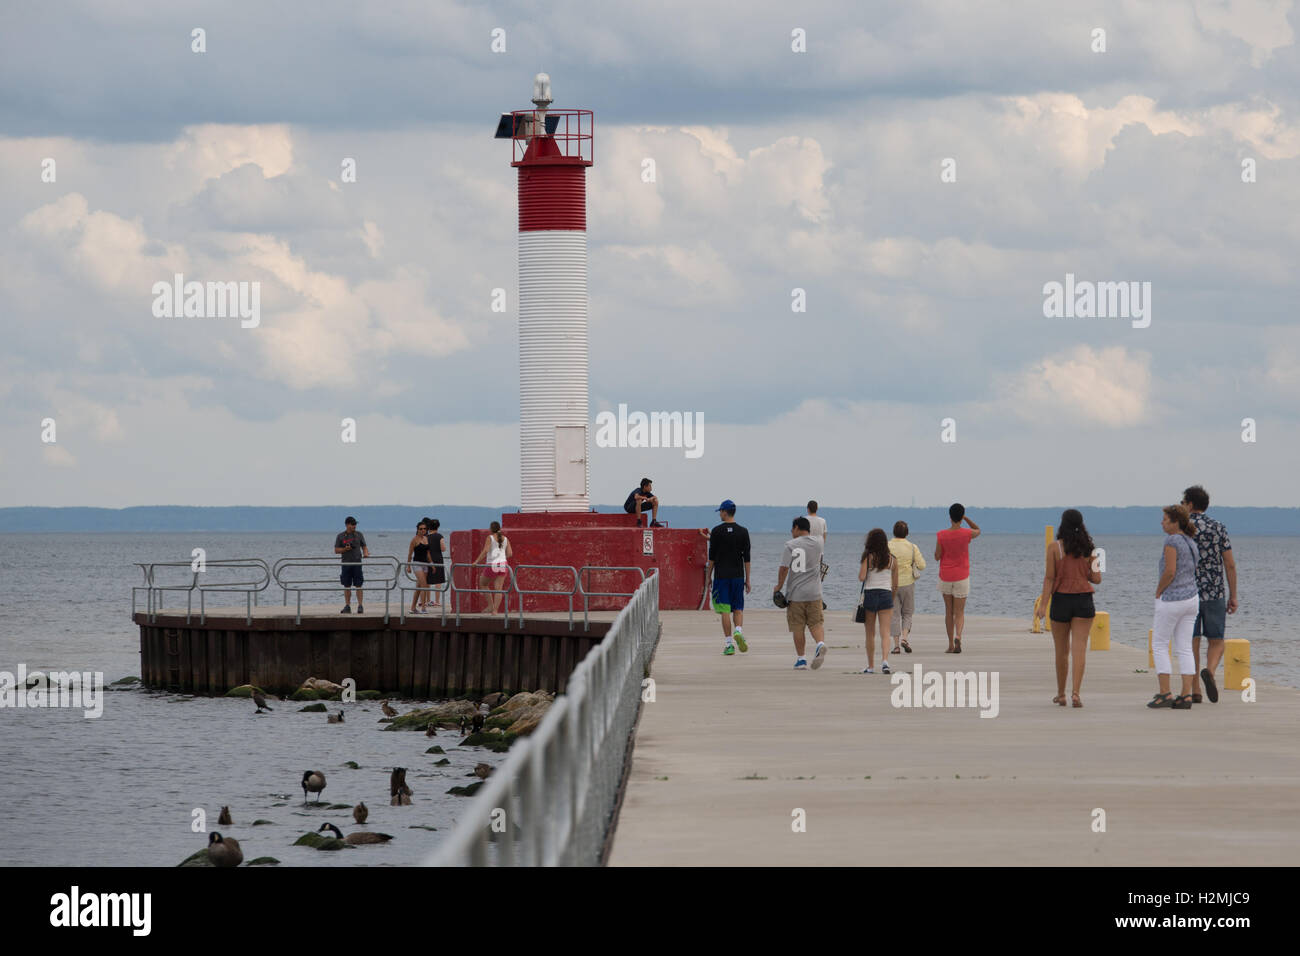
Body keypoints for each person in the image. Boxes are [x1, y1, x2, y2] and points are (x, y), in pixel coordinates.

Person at [1035, 509, 1102, 707]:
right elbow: (1097, 579)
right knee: (1079, 649)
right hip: (1083, 600)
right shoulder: (1090, 549)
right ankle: (1076, 693)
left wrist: (1043, 605)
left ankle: (1061, 694)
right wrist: (1084, 571)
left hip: (1061, 600)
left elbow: (1049, 577)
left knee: (1061, 651)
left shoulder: (1054, 548)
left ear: (1062, 524)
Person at [1182, 486, 1238, 704]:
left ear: (1189, 504)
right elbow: (1230, 564)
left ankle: (1195, 688)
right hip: (1215, 591)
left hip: (1189, 592)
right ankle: (1211, 671)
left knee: (1192, 641)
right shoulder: (1218, 527)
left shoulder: (1183, 528)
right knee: (1217, 640)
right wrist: (1233, 595)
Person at [1148, 505, 1201, 709]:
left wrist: (1158, 591)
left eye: (1165, 519)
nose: (1162, 522)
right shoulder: (1190, 541)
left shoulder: (1172, 540)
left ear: (1175, 522)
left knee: (1160, 644)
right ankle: (1186, 695)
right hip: (1191, 598)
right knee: (1185, 647)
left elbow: (1170, 571)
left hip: (1172, 598)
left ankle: (1165, 693)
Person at [776, 517, 826, 670]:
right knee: (816, 623)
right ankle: (820, 644)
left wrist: (778, 587)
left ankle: (801, 659)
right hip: (815, 593)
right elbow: (822, 534)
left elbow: (784, 568)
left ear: (797, 528)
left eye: (792, 529)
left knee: (797, 627)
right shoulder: (819, 543)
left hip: (796, 594)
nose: (791, 532)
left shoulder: (790, 545)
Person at [704, 499, 751, 656]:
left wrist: (708, 576)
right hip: (738, 576)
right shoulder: (743, 532)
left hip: (722, 577)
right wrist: (748, 579)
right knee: (738, 608)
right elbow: (747, 559)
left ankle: (729, 644)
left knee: (725, 610)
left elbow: (712, 558)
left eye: (720, 512)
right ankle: (738, 630)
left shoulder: (716, 531)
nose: (720, 514)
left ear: (725, 512)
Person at [935, 503, 980, 653]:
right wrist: (966, 518)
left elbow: (937, 556)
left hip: (946, 576)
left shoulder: (941, 534)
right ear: (961, 517)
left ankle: (950, 644)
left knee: (949, 611)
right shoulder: (966, 533)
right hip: (961, 576)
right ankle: (958, 636)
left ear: (949, 517)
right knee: (959, 612)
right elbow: (978, 530)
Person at [857, 528, 898, 673]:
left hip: (870, 594)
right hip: (886, 594)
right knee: (885, 632)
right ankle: (885, 661)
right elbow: (895, 585)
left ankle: (871, 666)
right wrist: (891, 599)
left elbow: (861, 577)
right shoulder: (892, 559)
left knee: (870, 633)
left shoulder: (869, 557)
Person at [887, 521, 925, 654]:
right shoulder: (912, 547)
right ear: (907, 533)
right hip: (908, 583)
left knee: (894, 615)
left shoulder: (888, 546)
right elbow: (922, 565)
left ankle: (896, 646)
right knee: (907, 613)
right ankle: (905, 638)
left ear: (893, 532)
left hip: (891, 584)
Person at [473, 521, 512, 614]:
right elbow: (510, 554)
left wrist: (476, 561)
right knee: (498, 588)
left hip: (492, 564)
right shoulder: (505, 539)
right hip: (503, 564)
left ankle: (491, 605)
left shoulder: (490, 538)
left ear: (491, 529)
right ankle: (495, 610)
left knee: (483, 584)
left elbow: (485, 551)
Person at [334, 516, 371, 614]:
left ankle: (360, 605)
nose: (354, 526)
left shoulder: (359, 535)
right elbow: (336, 550)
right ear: (347, 525)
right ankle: (347, 606)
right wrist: (344, 549)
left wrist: (366, 553)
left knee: (359, 585)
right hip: (346, 563)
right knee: (347, 585)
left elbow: (364, 546)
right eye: (352, 524)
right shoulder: (340, 536)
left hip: (357, 563)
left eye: (355, 524)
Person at [805, 500, 829, 606]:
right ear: (817, 508)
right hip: (819, 551)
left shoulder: (804, 520)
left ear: (808, 509)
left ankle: (805, 597)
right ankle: (818, 598)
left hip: (806, 551)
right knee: (817, 577)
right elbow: (824, 537)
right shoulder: (822, 521)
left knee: (805, 575)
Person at [406, 521, 434, 614]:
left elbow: (428, 553)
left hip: (425, 564)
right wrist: (408, 566)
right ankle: (423, 608)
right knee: (424, 585)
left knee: (419, 587)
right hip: (417, 563)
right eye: (421, 529)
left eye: (424, 529)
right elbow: (410, 554)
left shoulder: (426, 539)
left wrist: (432, 564)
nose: (423, 530)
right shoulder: (414, 540)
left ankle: (413, 608)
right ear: (417, 529)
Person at [424, 517, 448, 609]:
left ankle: (427, 600)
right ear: (438, 527)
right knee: (438, 581)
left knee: (428, 580)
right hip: (438, 559)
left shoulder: (426, 537)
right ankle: (437, 601)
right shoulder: (439, 536)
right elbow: (443, 548)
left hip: (428, 560)